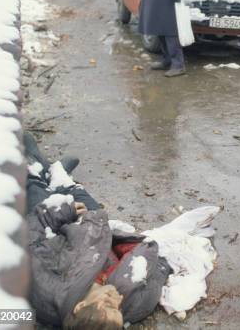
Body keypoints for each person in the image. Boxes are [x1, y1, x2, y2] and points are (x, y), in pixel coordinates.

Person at [23, 133, 172, 328]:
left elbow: (29, 238)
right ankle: (60, 178)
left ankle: (37, 167)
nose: (117, 299)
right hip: (95, 231)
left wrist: (61, 213)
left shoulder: (47, 292)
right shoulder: (134, 307)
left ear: (80, 306)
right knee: (81, 196)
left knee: (35, 190)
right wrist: (156, 260)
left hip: (57, 232)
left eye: (109, 304)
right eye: (118, 310)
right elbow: (161, 268)